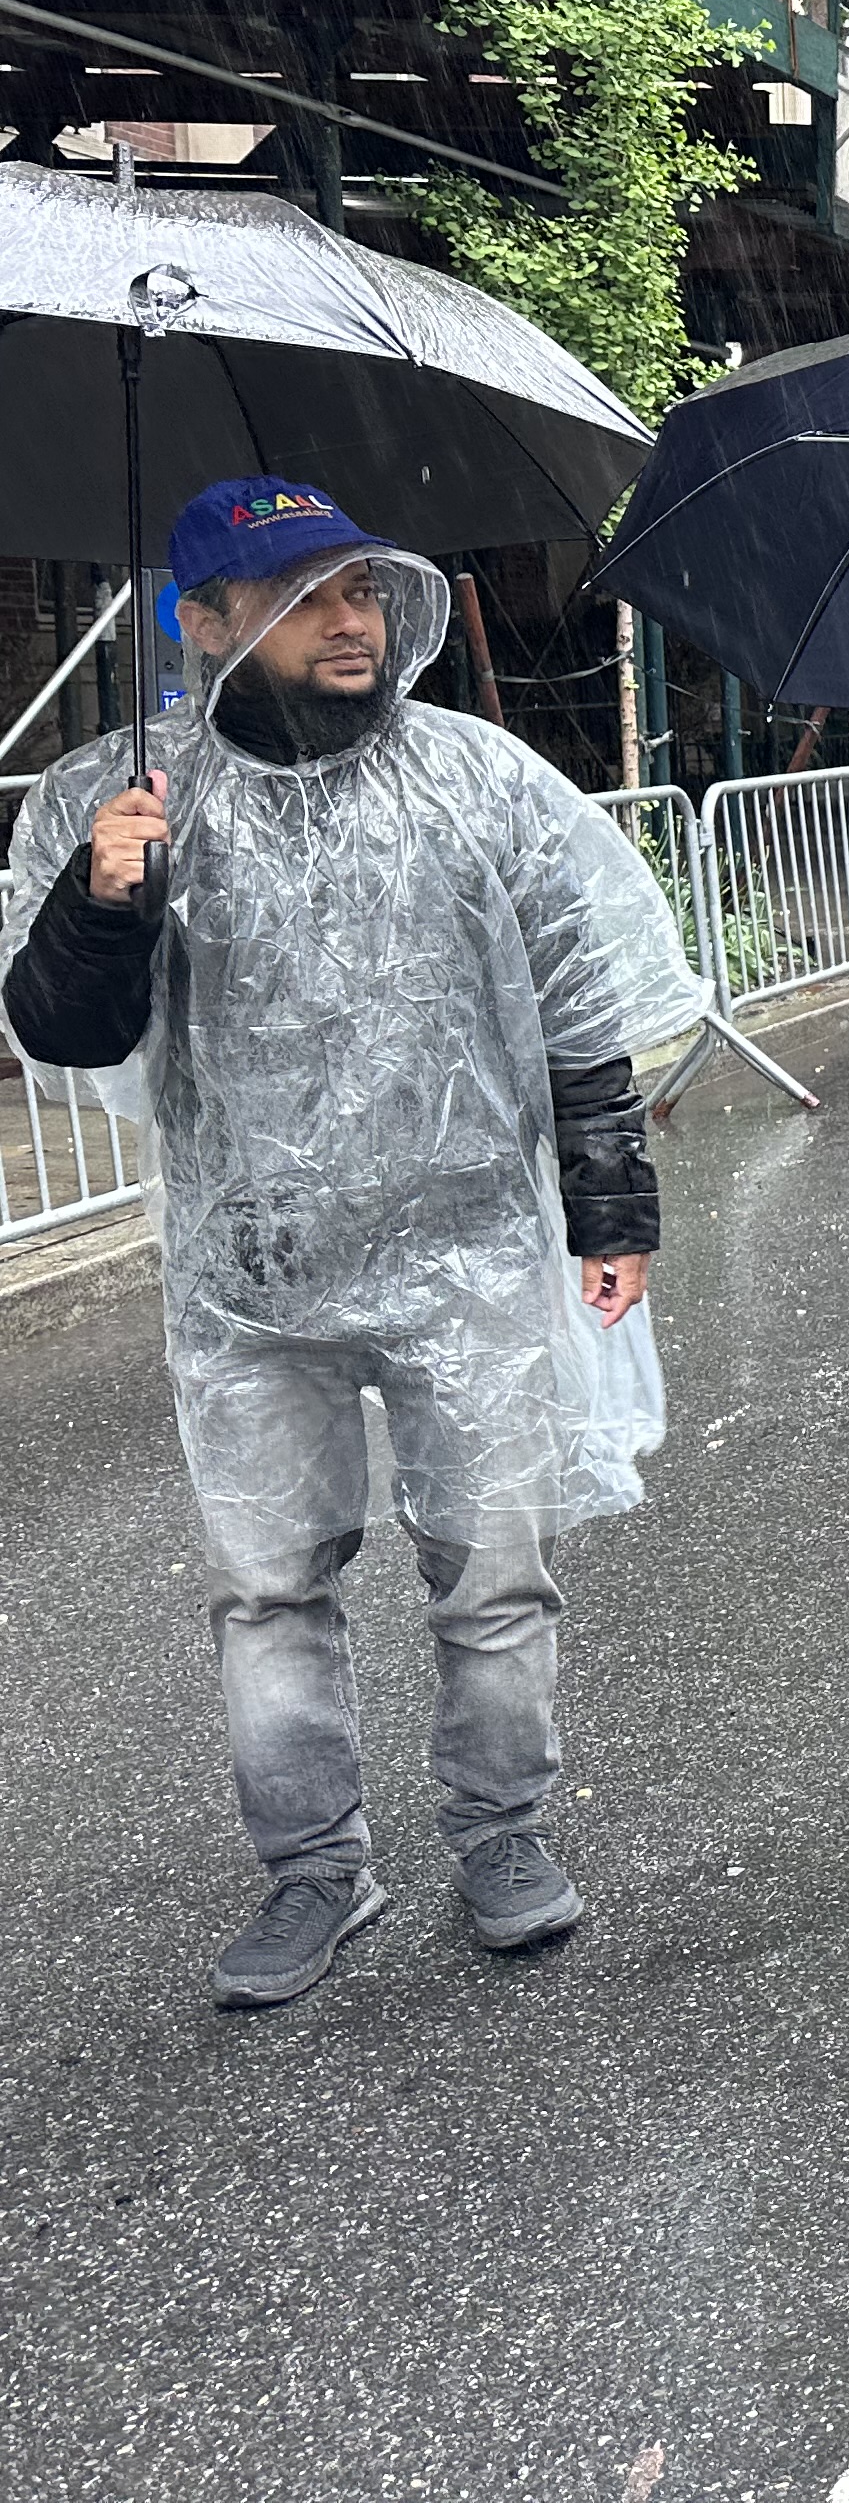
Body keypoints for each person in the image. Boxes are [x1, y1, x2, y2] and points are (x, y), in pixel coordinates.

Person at [2, 479, 704, 2008]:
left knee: (495, 1573)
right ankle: (315, 1865)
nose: (352, 622)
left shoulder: (476, 780)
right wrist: (104, 903)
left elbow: (580, 994)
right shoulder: (119, 803)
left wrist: (611, 1208)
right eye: (308, 595)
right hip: (251, 1280)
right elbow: (61, 1028)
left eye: (365, 591)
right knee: (269, 1587)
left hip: (466, 1260)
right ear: (206, 623)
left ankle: (505, 1833)